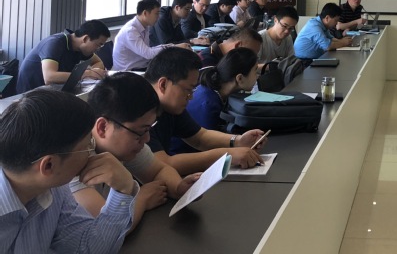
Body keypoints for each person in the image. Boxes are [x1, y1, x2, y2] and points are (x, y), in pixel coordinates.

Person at [0, 89, 137, 253]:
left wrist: (123, 190)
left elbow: (87, 248)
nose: (91, 153)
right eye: (87, 146)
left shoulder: (54, 190)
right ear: (49, 165)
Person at [70, 73, 200, 232]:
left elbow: (158, 171)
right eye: (141, 131)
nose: (147, 138)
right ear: (103, 127)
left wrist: (179, 188)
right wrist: (141, 200)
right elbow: (103, 231)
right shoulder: (72, 161)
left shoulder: (125, 144)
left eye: (149, 128)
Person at [143, 48, 264, 174]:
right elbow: (163, 164)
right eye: (188, 90)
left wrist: (238, 141)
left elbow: (200, 137)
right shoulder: (139, 111)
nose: (191, 97)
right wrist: (227, 155)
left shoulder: (169, 106)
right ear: (163, 85)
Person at [17, 20, 110, 92]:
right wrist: (88, 74)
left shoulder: (80, 48)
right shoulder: (55, 43)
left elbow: (98, 62)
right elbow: (49, 77)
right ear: (85, 38)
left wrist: (95, 72)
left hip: (54, 90)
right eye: (98, 45)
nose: (98, 49)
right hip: (30, 94)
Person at [186, 48, 258, 132]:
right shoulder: (209, 104)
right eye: (255, 71)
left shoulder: (216, 93)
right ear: (240, 78)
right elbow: (209, 139)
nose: (257, 76)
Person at [113, 0, 191, 72]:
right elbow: (148, 54)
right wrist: (174, 47)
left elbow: (149, 50)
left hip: (142, 66)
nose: (158, 17)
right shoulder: (130, 31)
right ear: (145, 13)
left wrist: (174, 46)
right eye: (156, 13)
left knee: (178, 65)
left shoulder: (145, 26)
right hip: (130, 72)